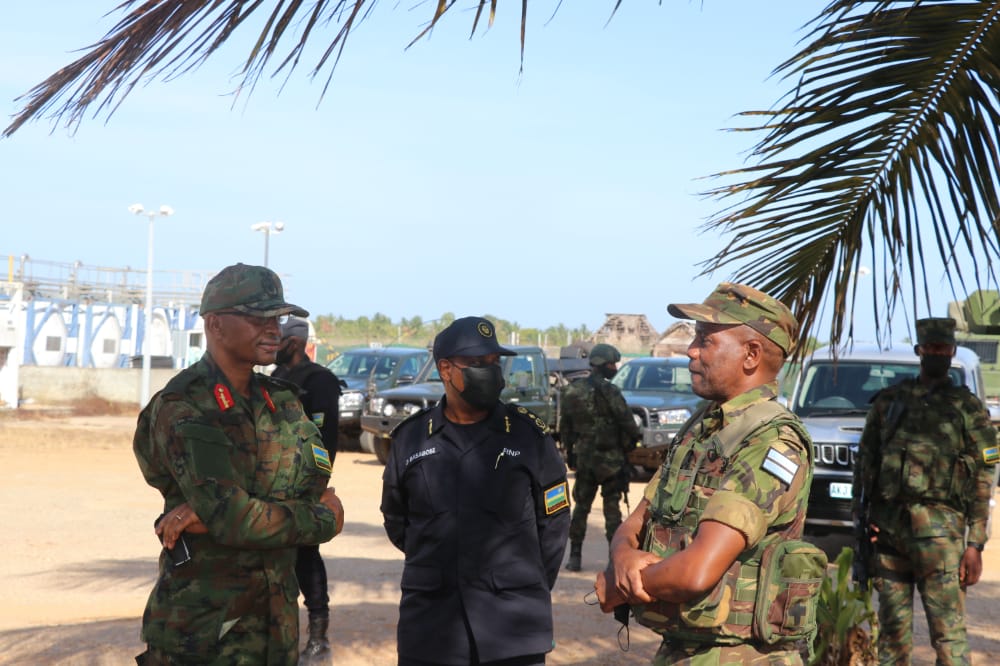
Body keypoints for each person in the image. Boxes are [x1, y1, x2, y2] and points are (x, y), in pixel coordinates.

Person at [596, 282, 823, 665]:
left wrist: (619, 586)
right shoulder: (703, 426)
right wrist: (622, 556)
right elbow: (637, 520)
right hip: (683, 650)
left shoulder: (772, 441)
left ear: (751, 354)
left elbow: (697, 571)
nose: (691, 350)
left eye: (706, 340)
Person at [132, 262, 345, 665]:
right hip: (204, 635)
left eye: (278, 317)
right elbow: (238, 520)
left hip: (276, 631)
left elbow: (311, 489)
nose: (273, 329)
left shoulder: (282, 400)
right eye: (255, 317)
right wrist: (319, 519)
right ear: (215, 325)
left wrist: (219, 511)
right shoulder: (184, 406)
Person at [380, 316, 571, 665]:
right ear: (446, 369)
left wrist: (518, 581)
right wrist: (441, 559)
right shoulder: (411, 438)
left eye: (494, 363)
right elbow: (397, 520)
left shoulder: (529, 438)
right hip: (432, 625)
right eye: (477, 364)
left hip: (511, 627)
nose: (490, 371)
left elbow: (554, 526)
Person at [853, 317, 998, 665]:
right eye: (930, 348)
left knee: (948, 638)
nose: (937, 354)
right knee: (891, 638)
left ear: (952, 352)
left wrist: (975, 543)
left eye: (943, 349)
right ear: (919, 351)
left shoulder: (968, 409)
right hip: (889, 534)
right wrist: (862, 519)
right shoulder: (889, 403)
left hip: (942, 538)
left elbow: (984, 473)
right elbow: (865, 463)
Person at [272, 315, 344, 661]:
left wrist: (318, 483)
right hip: (272, 484)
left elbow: (326, 437)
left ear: (296, 342)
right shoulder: (276, 377)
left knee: (306, 554)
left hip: (304, 485)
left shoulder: (320, 381)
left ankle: (319, 636)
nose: (273, 342)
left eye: (280, 338)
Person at [560, 342, 641, 572]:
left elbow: (565, 428)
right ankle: (614, 559)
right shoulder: (611, 391)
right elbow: (627, 422)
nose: (614, 367)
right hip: (611, 461)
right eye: (612, 364)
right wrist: (633, 441)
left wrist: (570, 453)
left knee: (581, 508)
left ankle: (574, 557)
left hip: (585, 458)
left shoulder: (573, 391)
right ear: (604, 365)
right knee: (612, 510)